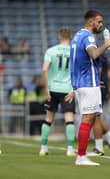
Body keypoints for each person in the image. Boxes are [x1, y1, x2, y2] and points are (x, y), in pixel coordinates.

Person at [70, 10, 110, 166]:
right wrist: (106, 45)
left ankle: (83, 153)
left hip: (84, 83)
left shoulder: (77, 36)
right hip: (87, 83)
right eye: (99, 22)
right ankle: (81, 156)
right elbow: (94, 54)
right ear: (91, 22)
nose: (101, 25)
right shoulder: (88, 37)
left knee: (90, 118)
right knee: (89, 118)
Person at [39, 27, 76, 157]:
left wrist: (46, 88)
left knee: (48, 119)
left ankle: (43, 147)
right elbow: (77, 72)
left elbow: (44, 70)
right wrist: (74, 89)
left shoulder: (51, 51)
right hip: (68, 90)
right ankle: (70, 149)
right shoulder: (74, 52)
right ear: (70, 37)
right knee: (69, 119)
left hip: (53, 88)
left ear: (59, 37)